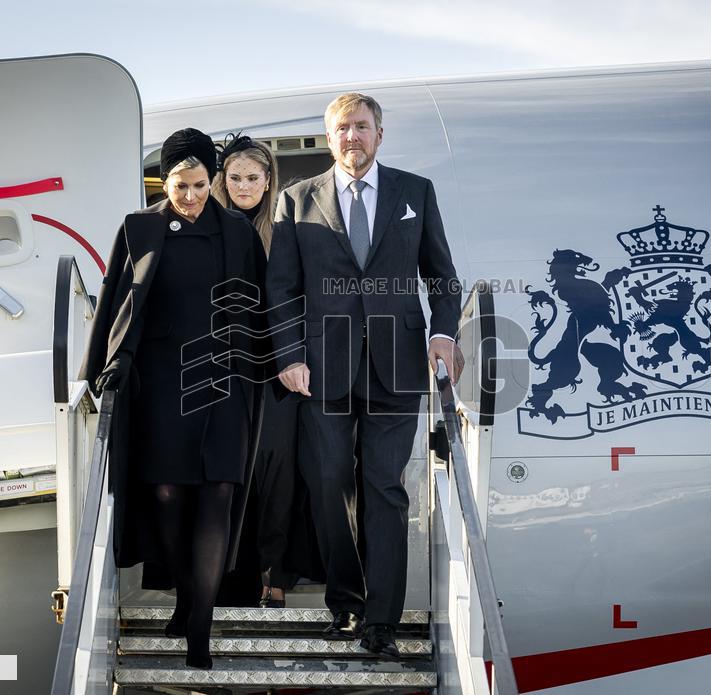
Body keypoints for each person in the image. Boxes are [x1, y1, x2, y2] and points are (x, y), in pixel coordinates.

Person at [266, 93, 464, 658]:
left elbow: (442, 277)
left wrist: (442, 333)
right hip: (319, 369)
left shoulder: (414, 192)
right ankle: (346, 602)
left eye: (361, 127)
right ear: (329, 140)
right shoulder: (296, 200)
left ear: (380, 134)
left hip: (396, 364)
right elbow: (281, 289)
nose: (352, 137)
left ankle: (381, 621)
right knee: (329, 485)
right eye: (341, 129)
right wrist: (289, 354)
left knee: (384, 489)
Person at [78, 127, 269, 670]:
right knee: (165, 496)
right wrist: (97, 371)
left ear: (213, 178)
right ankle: (188, 598)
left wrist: (275, 365)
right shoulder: (140, 227)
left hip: (225, 381)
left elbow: (260, 307)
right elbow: (115, 301)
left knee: (218, 497)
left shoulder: (236, 231)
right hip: (160, 383)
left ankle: (199, 634)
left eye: (200, 184)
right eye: (180, 186)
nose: (190, 196)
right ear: (164, 181)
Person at [212, 134, 296, 608]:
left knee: (278, 477)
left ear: (268, 181)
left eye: (253, 178)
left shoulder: (284, 229)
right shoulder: (213, 228)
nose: (244, 186)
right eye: (236, 178)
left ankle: (276, 573)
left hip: (276, 375)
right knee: (233, 477)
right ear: (224, 180)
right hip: (225, 373)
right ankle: (233, 577)